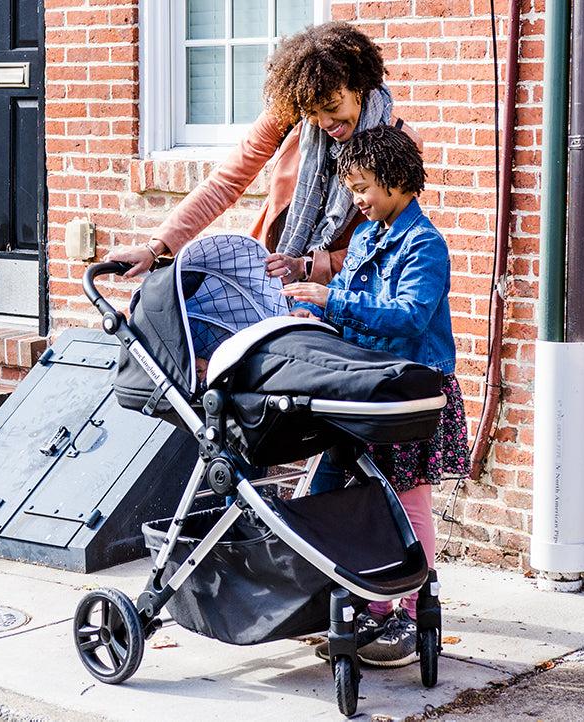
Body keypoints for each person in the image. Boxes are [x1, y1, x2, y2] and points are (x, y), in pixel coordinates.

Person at [282, 125, 471, 668]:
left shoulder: (424, 244)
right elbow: (352, 304)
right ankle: (373, 605)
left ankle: (411, 614)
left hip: (410, 391)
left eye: (362, 187)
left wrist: (332, 301)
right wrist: (311, 314)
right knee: (353, 494)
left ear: (396, 179)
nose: (356, 201)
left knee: (406, 499)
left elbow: (409, 317)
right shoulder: (366, 237)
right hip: (366, 387)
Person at [104, 21, 420, 285]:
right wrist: (156, 247)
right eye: (312, 112)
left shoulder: (399, 143)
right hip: (267, 270)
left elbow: (389, 246)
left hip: (341, 291)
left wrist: (309, 267)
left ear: (358, 88)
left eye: (333, 108)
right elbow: (223, 185)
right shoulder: (287, 115)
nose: (324, 123)